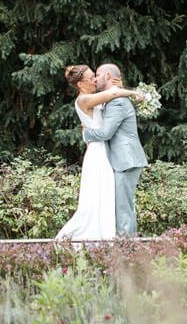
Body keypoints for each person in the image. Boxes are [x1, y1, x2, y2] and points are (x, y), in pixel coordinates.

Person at [55, 64, 140, 240]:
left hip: (104, 151)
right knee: (96, 198)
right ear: (80, 84)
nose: (94, 79)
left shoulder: (93, 98)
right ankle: (97, 237)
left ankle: (106, 236)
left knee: (105, 197)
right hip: (98, 152)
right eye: (91, 77)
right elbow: (113, 94)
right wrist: (134, 93)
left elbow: (112, 95)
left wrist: (119, 86)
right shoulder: (83, 100)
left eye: (95, 75)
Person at [81, 63, 149, 237]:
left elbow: (106, 133)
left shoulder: (117, 102)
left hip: (125, 160)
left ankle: (127, 250)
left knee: (123, 207)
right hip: (121, 160)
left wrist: (86, 134)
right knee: (121, 205)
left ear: (109, 76)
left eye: (97, 74)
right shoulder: (111, 99)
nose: (95, 79)